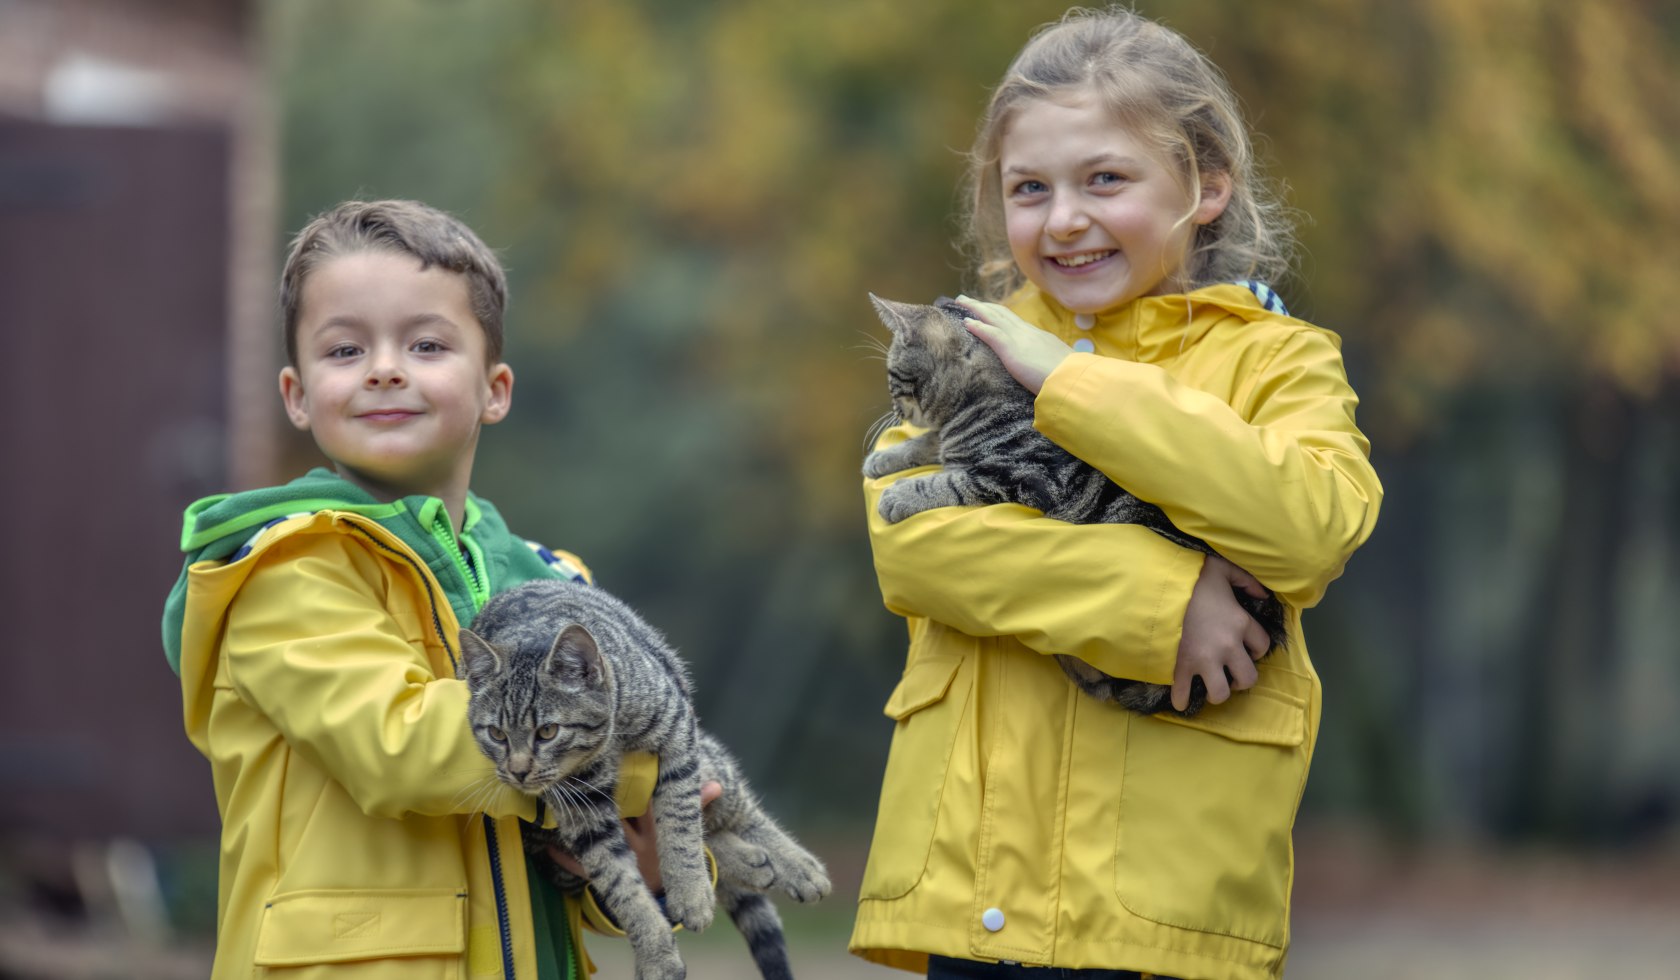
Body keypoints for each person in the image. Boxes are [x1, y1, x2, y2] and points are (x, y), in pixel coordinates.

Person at [849, 8, 1382, 980]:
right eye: (1028, 189)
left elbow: (1310, 527)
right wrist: (1163, 601)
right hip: (975, 901)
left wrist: (1070, 384)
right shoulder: (966, 341)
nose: (1063, 218)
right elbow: (913, 539)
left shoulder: (1281, 359)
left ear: (1206, 185)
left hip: (1165, 915)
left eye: (1105, 178)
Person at [161, 199, 698, 979]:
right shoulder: (285, 569)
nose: (385, 367)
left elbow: (576, 864)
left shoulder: (551, 582)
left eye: (426, 343)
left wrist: (630, 870)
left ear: (495, 388)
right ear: (296, 394)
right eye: (345, 349)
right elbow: (400, 746)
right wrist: (658, 760)